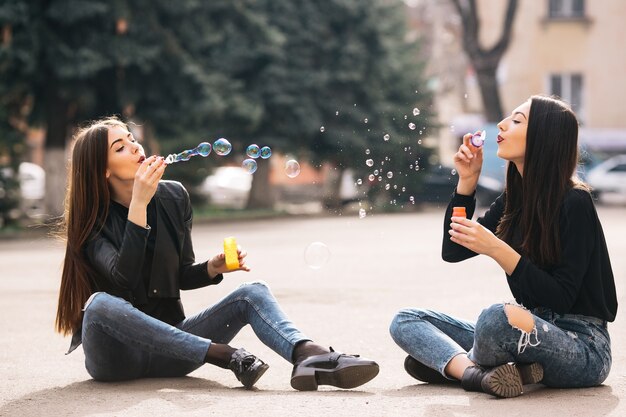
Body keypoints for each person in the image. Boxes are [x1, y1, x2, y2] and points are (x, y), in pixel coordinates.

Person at [55, 117, 379, 390]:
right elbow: (123, 281)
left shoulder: (173, 197)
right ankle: (224, 356)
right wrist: (138, 204)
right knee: (99, 305)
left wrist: (211, 268)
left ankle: (309, 355)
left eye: (131, 138)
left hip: (175, 350)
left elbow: (180, 275)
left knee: (253, 292)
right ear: (103, 171)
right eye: (120, 147)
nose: (135, 146)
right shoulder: (91, 221)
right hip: (118, 358)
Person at [389, 95, 617, 398]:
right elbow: (454, 250)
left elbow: (561, 298)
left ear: (543, 137)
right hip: (527, 331)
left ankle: (455, 365)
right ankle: (477, 374)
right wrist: (466, 183)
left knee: (496, 318)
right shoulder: (514, 200)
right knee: (407, 319)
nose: (501, 124)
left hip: (582, 347)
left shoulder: (575, 202)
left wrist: (498, 249)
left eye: (517, 120)